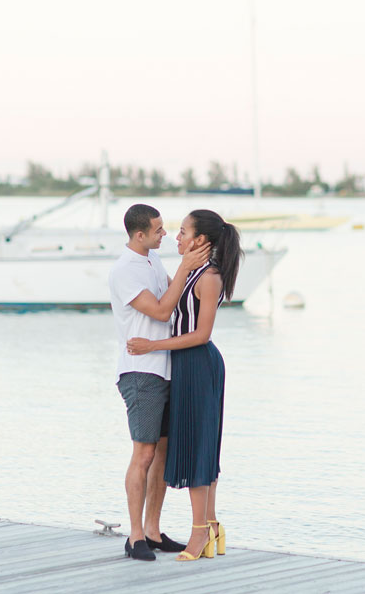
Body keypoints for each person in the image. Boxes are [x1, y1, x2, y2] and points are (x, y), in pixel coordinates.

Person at [126, 209, 241, 562]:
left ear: (200, 240)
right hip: (185, 365)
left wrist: (152, 345)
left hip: (198, 362)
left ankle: (199, 534)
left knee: (199, 448)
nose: (176, 238)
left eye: (182, 232)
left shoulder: (210, 276)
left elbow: (202, 333)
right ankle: (211, 526)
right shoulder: (192, 272)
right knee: (198, 446)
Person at [109, 204, 209, 562]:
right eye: (157, 229)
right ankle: (134, 536)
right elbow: (163, 311)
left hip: (167, 368)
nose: (164, 234)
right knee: (144, 453)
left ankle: (153, 530)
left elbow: (178, 296)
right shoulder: (125, 271)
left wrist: (206, 271)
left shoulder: (153, 262)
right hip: (141, 371)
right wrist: (185, 266)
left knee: (162, 453)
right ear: (139, 235)